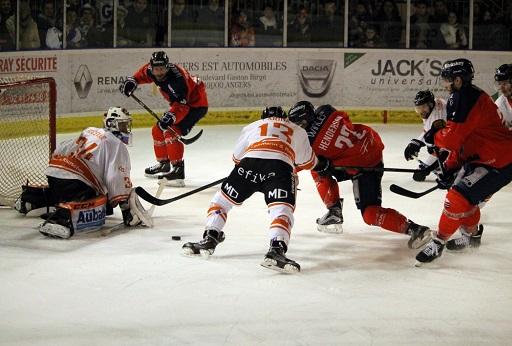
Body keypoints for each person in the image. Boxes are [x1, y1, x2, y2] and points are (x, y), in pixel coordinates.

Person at [182, 107, 319, 273]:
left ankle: (210, 237)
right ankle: (276, 250)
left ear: (263, 117)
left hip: (249, 164)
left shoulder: (253, 125)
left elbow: (236, 157)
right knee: (281, 210)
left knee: (221, 201)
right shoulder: (297, 129)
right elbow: (308, 162)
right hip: (280, 167)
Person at [415, 58, 512, 265]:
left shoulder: (465, 98)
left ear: (458, 79)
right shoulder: (468, 96)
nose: (444, 85)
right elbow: (466, 139)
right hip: (486, 156)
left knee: (456, 198)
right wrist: (452, 164)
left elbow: (453, 138)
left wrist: (435, 136)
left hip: (499, 161)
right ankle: (472, 236)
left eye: (447, 80)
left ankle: (438, 242)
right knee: (462, 197)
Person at [287, 101, 431, 249]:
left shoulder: (310, 145)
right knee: (319, 163)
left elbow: (291, 165)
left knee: (369, 212)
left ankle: (334, 210)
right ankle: (413, 229)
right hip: (371, 143)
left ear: (304, 123)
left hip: (364, 167)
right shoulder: (326, 110)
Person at [14, 107, 151, 239]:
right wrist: (125, 206)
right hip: (76, 181)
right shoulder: (116, 144)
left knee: (63, 194)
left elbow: (62, 147)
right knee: (102, 206)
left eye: (126, 125)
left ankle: (31, 198)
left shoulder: (90, 130)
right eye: (122, 125)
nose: (126, 129)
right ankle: (63, 218)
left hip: (55, 173)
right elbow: (114, 177)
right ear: (111, 124)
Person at [120, 51, 208, 187]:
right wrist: (132, 81)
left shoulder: (178, 81)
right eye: (156, 69)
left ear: (167, 67)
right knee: (157, 130)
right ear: (152, 67)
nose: (159, 72)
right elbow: (142, 74)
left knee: (171, 130)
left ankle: (178, 170)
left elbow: (182, 106)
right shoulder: (151, 70)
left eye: (162, 69)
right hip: (180, 104)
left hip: (194, 105)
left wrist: (172, 116)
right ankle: (164, 164)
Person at [493, 63, 512, 230]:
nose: (501, 87)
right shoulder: (500, 103)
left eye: (505, 83)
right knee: (492, 173)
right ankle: (475, 204)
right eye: (500, 83)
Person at [404, 90, 447, 181]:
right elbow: (427, 132)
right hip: (448, 142)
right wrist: (416, 142)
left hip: (457, 147)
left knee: (431, 145)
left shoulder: (438, 117)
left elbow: (445, 149)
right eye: (418, 108)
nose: (421, 111)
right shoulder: (431, 108)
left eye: (423, 107)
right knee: (430, 143)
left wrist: (426, 168)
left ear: (430, 105)